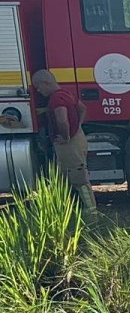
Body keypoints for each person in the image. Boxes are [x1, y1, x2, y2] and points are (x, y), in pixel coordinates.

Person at [31, 69, 96, 213]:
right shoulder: (67, 94)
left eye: (38, 86)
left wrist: (66, 136)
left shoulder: (56, 99)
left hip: (68, 144)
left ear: (45, 83)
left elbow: (62, 119)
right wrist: (78, 126)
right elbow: (82, 108)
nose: (38, 90)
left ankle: (91, 211)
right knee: (67, 176)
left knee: (79, 178)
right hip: (78, 138)